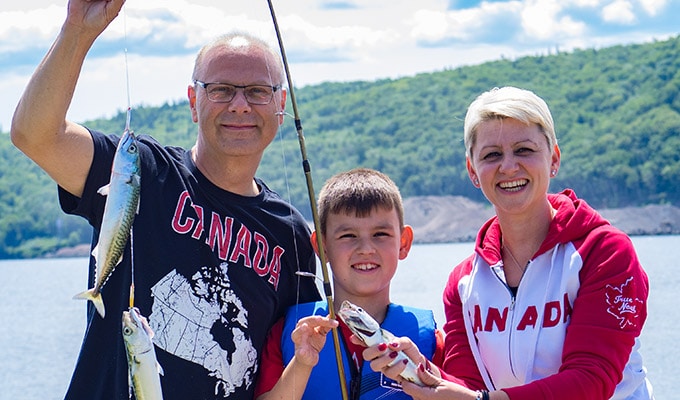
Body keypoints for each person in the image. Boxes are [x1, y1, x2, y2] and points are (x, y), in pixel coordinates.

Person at [10, 0, 320, 399]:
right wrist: (78, 30)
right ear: (193, 102)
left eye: (258, 92)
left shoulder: (290, 234)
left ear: (280, 107)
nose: (239, 105)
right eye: (221, 90)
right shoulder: (139, 170)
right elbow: (34, 135)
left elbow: (285, 373)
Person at [362, 87, 653, 400]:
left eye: (524, 150)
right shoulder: (463, 284)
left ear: (553, 158)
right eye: (492, 155)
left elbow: (591, 381)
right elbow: (468, 386)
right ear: (473, 170)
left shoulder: (605, 253)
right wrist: (423, 371)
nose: (509, 166)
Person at [253, 168, 446, 400]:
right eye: (348, 236)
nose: (365, 249)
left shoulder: (432, 340)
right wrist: (302, 364)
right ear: (322, 247)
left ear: (403, 243)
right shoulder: (290, 332)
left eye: (380, 234)